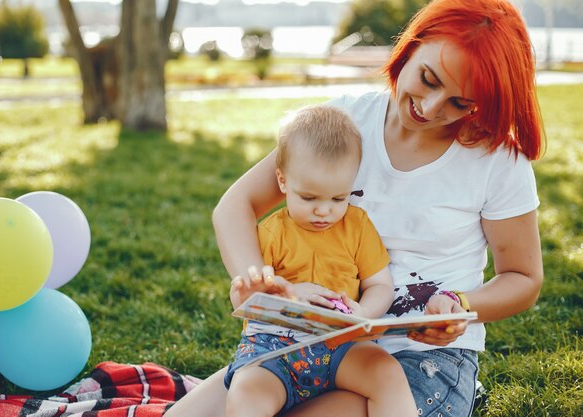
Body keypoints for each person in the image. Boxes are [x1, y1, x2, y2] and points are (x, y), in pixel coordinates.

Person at [167, 0, 544, 416]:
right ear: (410, 48)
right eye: (428, 79)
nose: (432, 108)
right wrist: (262, 286)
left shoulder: (497, 161)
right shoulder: (346, 120)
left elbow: (523, 277)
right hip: (311, 341)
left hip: (421, 358)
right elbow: (235, 205)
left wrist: (463, 304)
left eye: (461, 103)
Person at [224, 105, 417, 417]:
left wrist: (363, 312)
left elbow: (380, 284)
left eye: (339, 198)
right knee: (245, 394)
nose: (324, 211)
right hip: (275, 348)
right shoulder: (272, 233)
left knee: (387, 372)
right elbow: (242, 297)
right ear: (283, 181)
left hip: (341, 345)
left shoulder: (357, 226)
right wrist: (286, 292)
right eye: (309, 198)